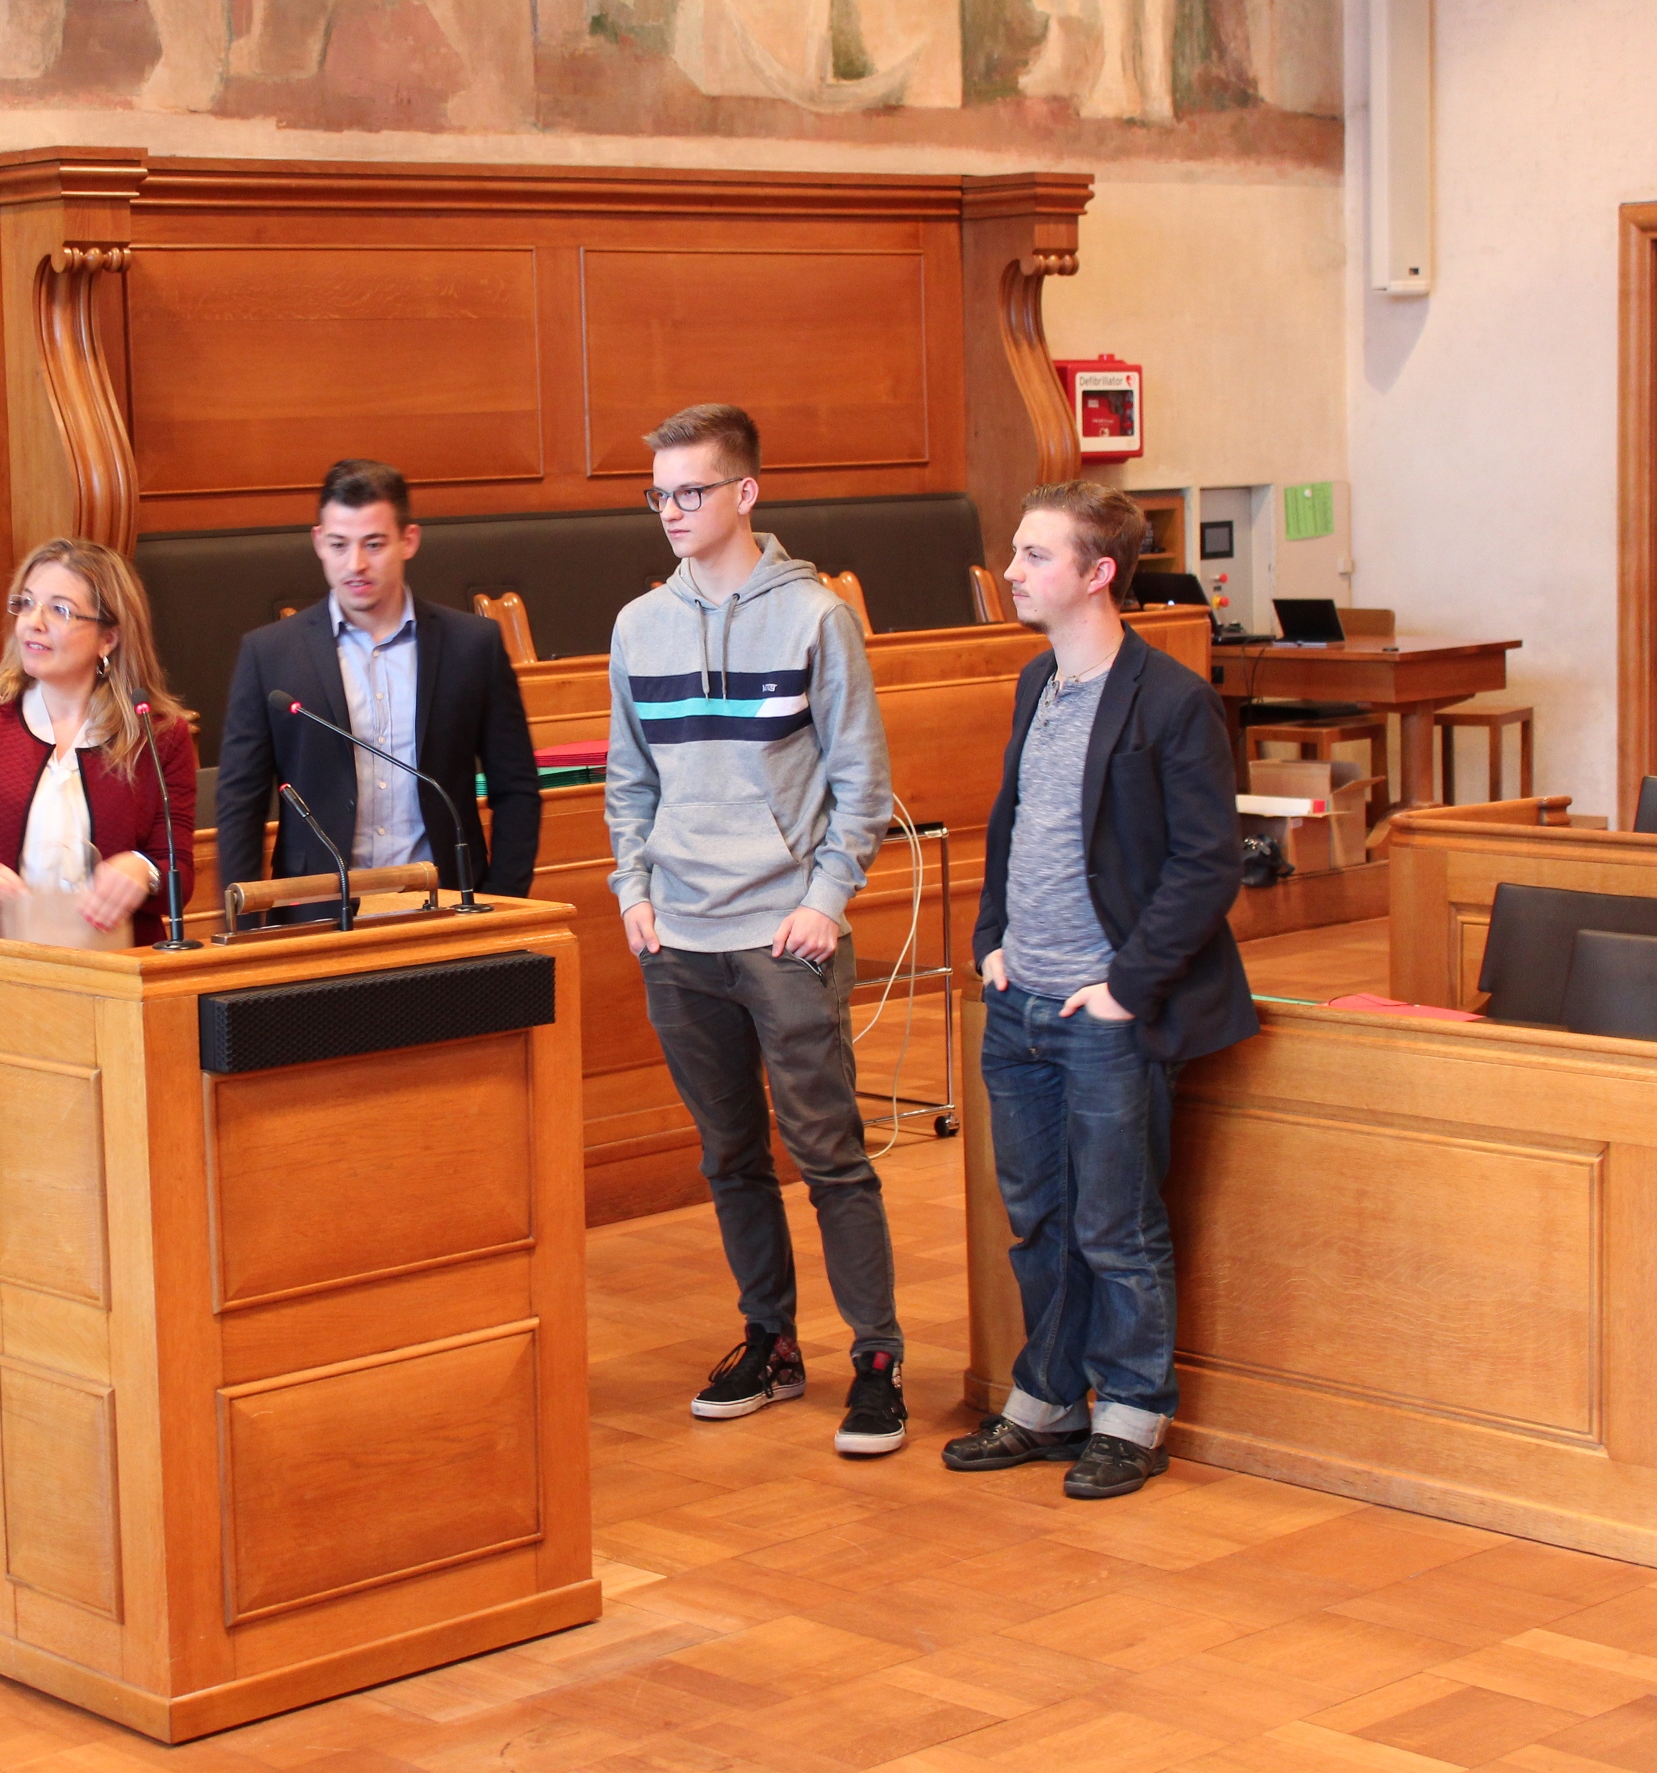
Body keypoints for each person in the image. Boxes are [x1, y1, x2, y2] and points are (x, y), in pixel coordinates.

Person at [605, 402, 908, 1456]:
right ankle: (772, 1344)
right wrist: (633, 891)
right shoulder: (639, 626)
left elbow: (863, 783)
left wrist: (824, 902)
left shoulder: (816, 617)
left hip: (787, 936)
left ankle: (877, 1358)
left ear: (745, 492)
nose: (671, 511)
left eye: (690, 490)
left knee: (829, 1154)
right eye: (658, 494)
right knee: (731, 1156)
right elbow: (629, 779)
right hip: (679, 940)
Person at [943, 481, 1255, 1499]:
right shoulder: (1038, 681)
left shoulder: (1172, 700)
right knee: (1039, 1219)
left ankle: (1130, 1412)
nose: (1012, 571)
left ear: (1098, 573)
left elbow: (1208, 865)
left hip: (1108, 1012)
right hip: (1019, 1001)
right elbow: (1015, 824)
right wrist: (991, 941)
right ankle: (1048, 1398)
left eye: (1035, 556)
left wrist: (1124, 987)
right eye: (1017, 552)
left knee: (1116, 1225)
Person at [214, 459, 540, 913]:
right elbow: (239, 803)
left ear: (409, 540)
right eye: (339, 545)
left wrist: (500, 904)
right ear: (318, 542)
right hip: (315, 910)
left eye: (374, 544)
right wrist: (245, 924)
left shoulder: (472, 646)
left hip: (447, 906)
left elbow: (517, 788)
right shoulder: (269, 653)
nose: (356, 564)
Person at [0, 537, 196, 946]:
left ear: (108, 638)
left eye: (59, 610)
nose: (34, 622)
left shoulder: (159, 736)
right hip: (1, 962)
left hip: (116, 965)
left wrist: (144, 871)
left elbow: (179, 876)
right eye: (26, 603)